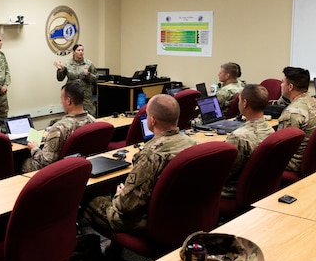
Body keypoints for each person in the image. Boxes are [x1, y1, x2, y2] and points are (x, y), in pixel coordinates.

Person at [84, 94, 195, 235]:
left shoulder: (150, 155)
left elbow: (126, 206)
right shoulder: (192, 143)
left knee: (92, 202)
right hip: (182, 214)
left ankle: (105, 253)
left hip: (150, 222)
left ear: (152, 120)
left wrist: (119, 195)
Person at [22, 82, 95, 172]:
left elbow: (46, 161)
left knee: (27, 162)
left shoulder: (59, 128)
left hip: (61, 171)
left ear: (68, 101)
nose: (61, 102)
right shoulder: (93, 121)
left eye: (61, 99)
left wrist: (34, 148)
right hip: (85, 166)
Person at [221, 84, 274, 199]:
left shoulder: (238, 137)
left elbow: (224, 174)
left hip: (231, 192)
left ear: (244, 103)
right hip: (260, 188)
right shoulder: (270, 130)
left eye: (239, 100)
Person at [277, 66, 316, 173]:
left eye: (282, 82)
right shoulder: (313, 102)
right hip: (312, 158)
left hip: (293, 162)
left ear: (290, 86)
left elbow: (280, 149)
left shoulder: (292, 112)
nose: (280, 85)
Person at [54, 44, 98, 115]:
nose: (81, 52)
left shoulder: (89, 64)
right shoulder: (68, 64)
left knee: (89, 117)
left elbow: (95, 78)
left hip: (86, 97)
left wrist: (88, 75)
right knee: (73, 117)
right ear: (74, 52)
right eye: (78, 50)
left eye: (82, 50)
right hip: (72, 96)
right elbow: (60, 78)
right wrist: (60, 70)